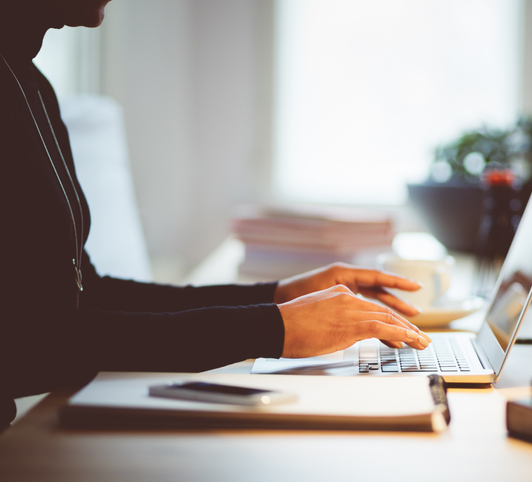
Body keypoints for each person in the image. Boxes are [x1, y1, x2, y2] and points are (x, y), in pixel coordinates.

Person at [0, 0, 431, 428]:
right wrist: (272, 328)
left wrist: (278, 296)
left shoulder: (31, 84)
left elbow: (86, 294)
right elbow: (28, 340)